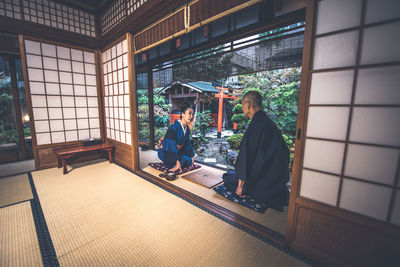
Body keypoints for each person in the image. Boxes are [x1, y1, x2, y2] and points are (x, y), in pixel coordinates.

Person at [223, 91, 290, 211]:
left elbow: (245, 157)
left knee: (227, 177)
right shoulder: (268, 122)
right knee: (232, 174)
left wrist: (240, 186)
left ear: (248, 105)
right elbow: (283, 152)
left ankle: (256, 191)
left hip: (262, 181)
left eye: (243, 104)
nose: (243, 107)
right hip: (275, 178)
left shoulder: (256, 125)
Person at [158, 103, 195, 172]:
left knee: (189, 161)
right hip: (167, 151)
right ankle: (172, 162)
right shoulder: (173, 127)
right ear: (182, 114)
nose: (191, 116)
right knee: (174, 165)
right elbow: (170, 145)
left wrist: (192, 155)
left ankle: (177, 160)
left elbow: (187, 143)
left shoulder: (187, 128)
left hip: (177, 151)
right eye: (189, 114)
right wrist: (176, 161)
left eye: (193, 114)